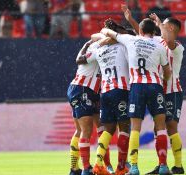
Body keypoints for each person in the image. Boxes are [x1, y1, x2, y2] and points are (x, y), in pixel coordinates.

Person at [101, 18, 172, 175]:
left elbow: (108, 32)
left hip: (137, 87)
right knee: (160, 127)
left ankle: (133, 167)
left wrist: (107, 32)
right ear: (154, 32)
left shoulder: (130, 40)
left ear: (140, 30)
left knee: (135, 128)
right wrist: (162, 81)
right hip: (155, 86)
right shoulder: (160, 46)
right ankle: (163, 166)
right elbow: (168, 72)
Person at [122, 5, 185, 174]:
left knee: (171, 126)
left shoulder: (176, 46)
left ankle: (178, 166)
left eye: (163, 24)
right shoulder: (157, 42)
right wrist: (131, 20)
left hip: (172, 91)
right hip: (158, 89)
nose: (158, 27)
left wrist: (158, 23)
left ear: (170, 28)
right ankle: (161, 164)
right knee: (159, 128)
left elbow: (169, 41)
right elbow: (142, 34)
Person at [76, 19, 133, 175]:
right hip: (121, 90)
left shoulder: (98, 50)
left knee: (108, 130)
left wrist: (102, 37)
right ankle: (122, 167)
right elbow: (129, 35)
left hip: (105, 93)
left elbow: (81, 59)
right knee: (124, 127)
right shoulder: (123, 46)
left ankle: (98, 164)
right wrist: (115, 31)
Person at [68, 40, 112, 175]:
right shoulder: (97, 47)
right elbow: (79, 60)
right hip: (82, 89)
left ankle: (75, 169)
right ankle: (86, 169)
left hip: (91, 91)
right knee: (86, 130)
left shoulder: (99, 46)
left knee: (95, 129)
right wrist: (87, 44)